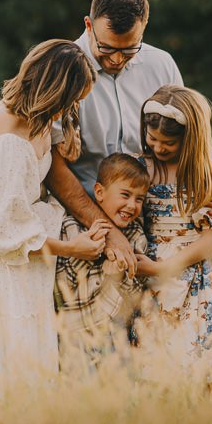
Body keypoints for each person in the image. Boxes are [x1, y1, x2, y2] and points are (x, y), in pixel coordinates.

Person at [0, 40, 109, 396]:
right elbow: (4, 236)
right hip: (2, 266)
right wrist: (72, 248)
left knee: (27, 362)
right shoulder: (10, 144)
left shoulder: (35, 118)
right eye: (74, 99)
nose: (76, 107)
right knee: (4, 366)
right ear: (55, 92)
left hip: (25, 265)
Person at [46, 0, 212, 274]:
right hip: (84, 232)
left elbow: (188, 141)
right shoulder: (61, 70)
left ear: (144, 29)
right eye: (106, 48)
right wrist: (108, 232)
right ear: (88, 25)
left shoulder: (162, 65)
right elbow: (51, 165)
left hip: (155, 233)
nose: (117, 59)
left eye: (130, 49)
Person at [134, 84, 212, 379]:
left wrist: (166, 267)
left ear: (191, 139)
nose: (158, 147)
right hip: (153, 275)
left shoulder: (207, 170)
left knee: (206, 358)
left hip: (202, 273)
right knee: (159, 361)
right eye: (153, 138)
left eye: (168, 143)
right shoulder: (139, 168)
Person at [53, 153, 151, 366]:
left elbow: (137, 293)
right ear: (99, 192)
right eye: (125, 195)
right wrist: (89, 254)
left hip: (116, 334)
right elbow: (61, 283)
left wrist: (119, 274)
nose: (132, 205)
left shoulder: (135, 236)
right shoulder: (73, 227)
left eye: (139, 199)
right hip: (75, 336)